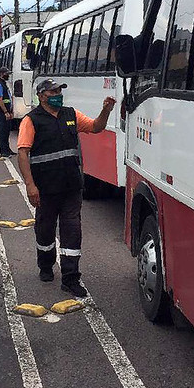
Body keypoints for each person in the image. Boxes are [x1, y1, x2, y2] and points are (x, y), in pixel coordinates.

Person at [17, 79, 116, 298]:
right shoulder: (31, 120)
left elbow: (96, 127)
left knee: (72, 230)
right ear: (42, 95)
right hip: (45, 188)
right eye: (53, 91)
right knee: (45, 229)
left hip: (71, 186)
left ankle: (70, 278)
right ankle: (45, 265)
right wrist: (30, 185)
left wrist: (106, 111)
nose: (58, 95)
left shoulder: (70, 114)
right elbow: (23, 153)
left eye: (60, 91)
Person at [0, 67, 16, 157]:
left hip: (7, 112)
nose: (8, 75)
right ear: (2, 74)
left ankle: (7, 149)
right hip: (2, 112)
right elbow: (0, 100)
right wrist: (6, 112)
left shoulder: (3, 84)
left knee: (7, 132)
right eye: (7, 74)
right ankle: (3, 151)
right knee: (3, 132)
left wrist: (10, 111)